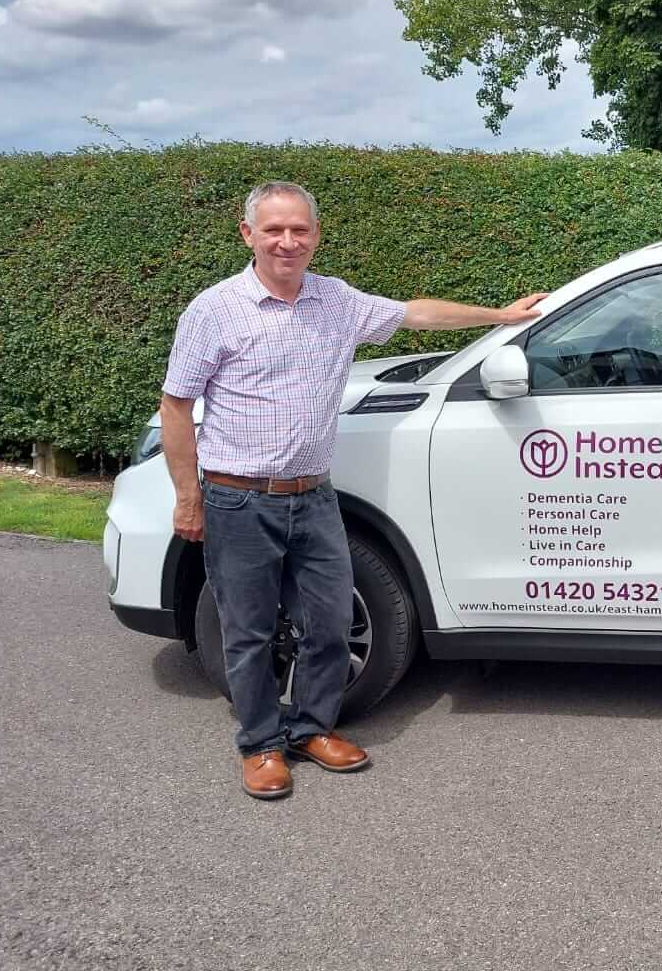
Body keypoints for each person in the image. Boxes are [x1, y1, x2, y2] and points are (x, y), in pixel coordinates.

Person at [161, 181, 546, 800]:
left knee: (331, 620)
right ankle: (261, 744)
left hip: (314, 496)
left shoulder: (336, 301)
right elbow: (177, 406)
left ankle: (313, 727)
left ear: (316, 235)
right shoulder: (214, 310)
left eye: (300, 230)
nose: (288, 241)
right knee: (250, 629)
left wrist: (502, 317)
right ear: (248, 235)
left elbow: (415, 312)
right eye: (274, 230)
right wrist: (188, 495)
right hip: (239, 497)